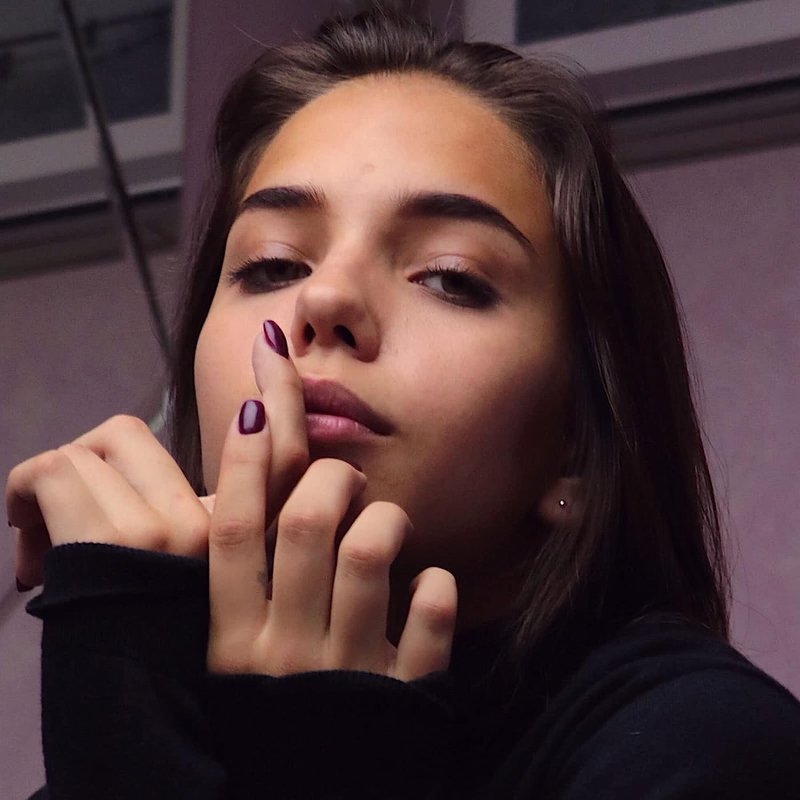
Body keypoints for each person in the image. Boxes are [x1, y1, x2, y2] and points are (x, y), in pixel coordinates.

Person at [7, 7, 800, 799]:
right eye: (274, 264)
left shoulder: (708, 748)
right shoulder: (137, 713)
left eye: (450, 277)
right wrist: (119, 706)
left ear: (578, 445)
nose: (326, 298)